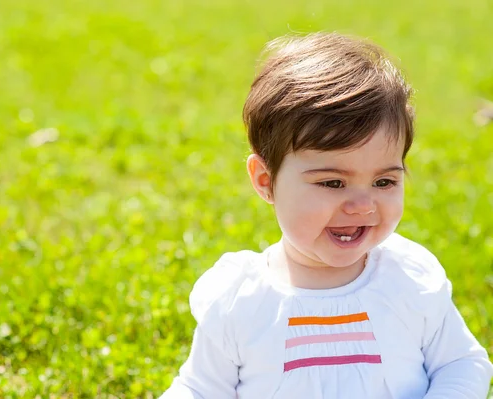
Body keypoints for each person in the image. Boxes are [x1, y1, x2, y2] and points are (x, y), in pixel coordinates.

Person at [160, 32, 493, 398]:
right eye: (333, 183)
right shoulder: (240, 302)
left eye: (383, 181)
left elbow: (461, 363)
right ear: (265, 181)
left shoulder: (408, 281)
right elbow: (199, 389)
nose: (362, 205)